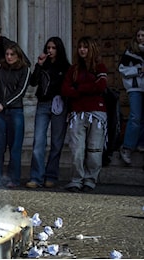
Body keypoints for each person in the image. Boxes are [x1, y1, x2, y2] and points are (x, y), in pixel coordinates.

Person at [61, 36, 108, 192]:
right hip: (77, 114)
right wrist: (87, 88)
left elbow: (101, 86)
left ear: (91, 48)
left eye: (85, 47)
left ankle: (90, 179)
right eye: (80, 47)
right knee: (77, 150)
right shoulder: (73, 70)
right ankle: (76, 180)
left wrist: (79, 88)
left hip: (97, 114)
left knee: (94, 150)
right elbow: (65, 89)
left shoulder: (99, 67)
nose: (82, 50)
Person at [26, 37, 71, 189]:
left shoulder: (65, 67)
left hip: (59, 105)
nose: (50, 51)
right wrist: (38, 65)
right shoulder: (43, 65)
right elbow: (33, 82)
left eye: (53, 48)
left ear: (59, 49)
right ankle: (36, 177)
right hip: (43, 104)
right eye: (48, 48)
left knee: (57, 143)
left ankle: (51, 176)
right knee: (38, 141)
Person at [0, 43, 31, 188]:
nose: (9, 57)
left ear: (18, 55)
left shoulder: (24, 69)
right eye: (7, 54)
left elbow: (20, 91)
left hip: (15, 111)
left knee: (15, 147)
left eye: (12, 54)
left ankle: (13, 179)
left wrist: (3, 104)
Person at [118, 26, 144, 165]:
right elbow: (122, 70)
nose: (140, 38)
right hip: (135, 88)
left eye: (143, 35)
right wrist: (139, 70)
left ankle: (141, 143)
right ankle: (127, 147)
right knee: (135, 117)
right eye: (138, 35)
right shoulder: (130, 52)